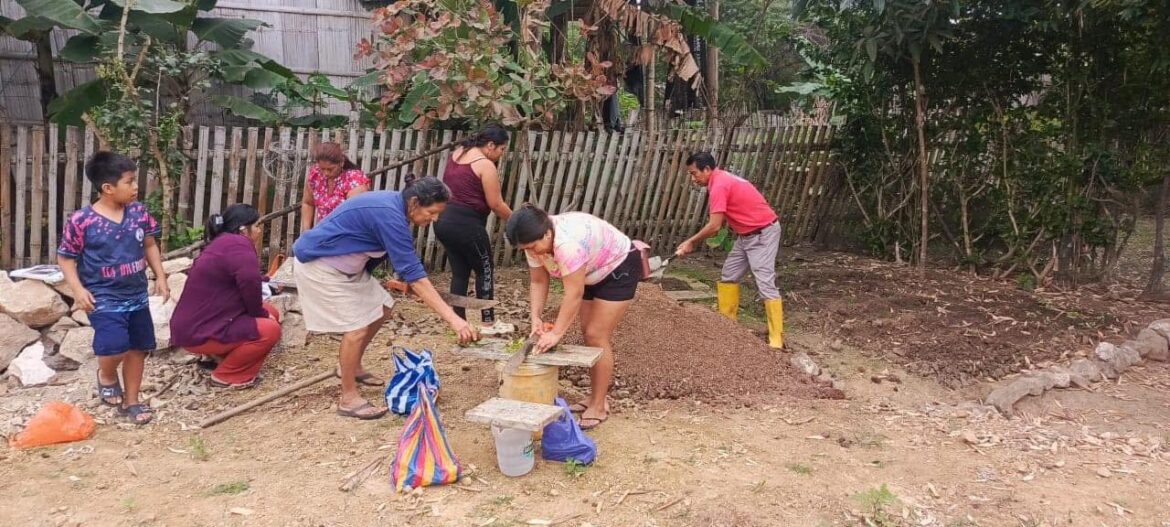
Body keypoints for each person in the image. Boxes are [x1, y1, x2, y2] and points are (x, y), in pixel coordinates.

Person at [293, 176, 480, 420]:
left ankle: (352, 366)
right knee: (357, 327)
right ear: (414, 203)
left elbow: (403, 267)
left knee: (382, 308)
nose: (433, 219)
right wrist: (455, 321)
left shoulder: (395, 209)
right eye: (431, 212)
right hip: (321, 267)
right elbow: (415, 274)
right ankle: (348, 398)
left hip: (349, 270)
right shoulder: (388, 214)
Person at [505, 204, 641, 430]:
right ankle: (595, 397)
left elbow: (573, 293)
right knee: (589, 335)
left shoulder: (567, 245)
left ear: (547, 233)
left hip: (618, 268)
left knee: (596, 335)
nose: (532, 252)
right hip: (588, 271)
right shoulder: (535, 243)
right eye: (525, 249)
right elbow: (538, 281)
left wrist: (557, 333)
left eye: (533, 246)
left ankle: (598, 405)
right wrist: (535, 319)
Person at [57, 152, 169, 425]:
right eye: (129, 182)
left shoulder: (139, 212)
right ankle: (106, 375)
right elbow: (65, 257)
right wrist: (78, 290)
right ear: (108, 188)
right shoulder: (82, 221)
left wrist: (161, 277)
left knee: (138, 348)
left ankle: (132, 401)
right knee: (114, 346)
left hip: (137, 294)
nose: (135, 187)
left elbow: (150, 245)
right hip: (102, 295)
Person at [674, 152, 784, 349]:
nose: (693, 179)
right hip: (747, 235)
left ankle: (776, 339)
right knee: (729, 275)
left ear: (707, 169)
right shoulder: (721, 179)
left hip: (763, 233)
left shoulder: (719, 185)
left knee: (764, 281)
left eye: (694, 173)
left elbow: (715, 225)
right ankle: (727, 327)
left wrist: (691, 242)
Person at [171, 204, 281, 388]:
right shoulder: (239, 244)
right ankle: (227, 375)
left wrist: (265, 282)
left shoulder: (223, 242)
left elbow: (239, 275)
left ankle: (217, 357)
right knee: (270, 329)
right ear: (243, 229)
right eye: (256, 225)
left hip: (192, 327)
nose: (259, 230)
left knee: (272, 312)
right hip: (200, 332)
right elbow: (248, 282)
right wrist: (259, 314)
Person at [434, 124, 512, 333]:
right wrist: (515, 220)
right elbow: (496, 204)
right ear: (490, 145)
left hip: (443, 221)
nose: (501, 154)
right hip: (467, 225)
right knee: (484, 270)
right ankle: (489, 322)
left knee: (459, 273)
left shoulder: (459, 152)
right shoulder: (485, 165)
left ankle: (459, 322)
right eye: (502, 149)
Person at [300, 142, 370, 232]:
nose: (326, 173)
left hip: (348, 235)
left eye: (330, 169)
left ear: (341, 163)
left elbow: (354, 216)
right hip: (324, 233)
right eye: (322, 169)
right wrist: (306, 231)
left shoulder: (354, 180)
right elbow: (308, 203)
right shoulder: (316, 175)